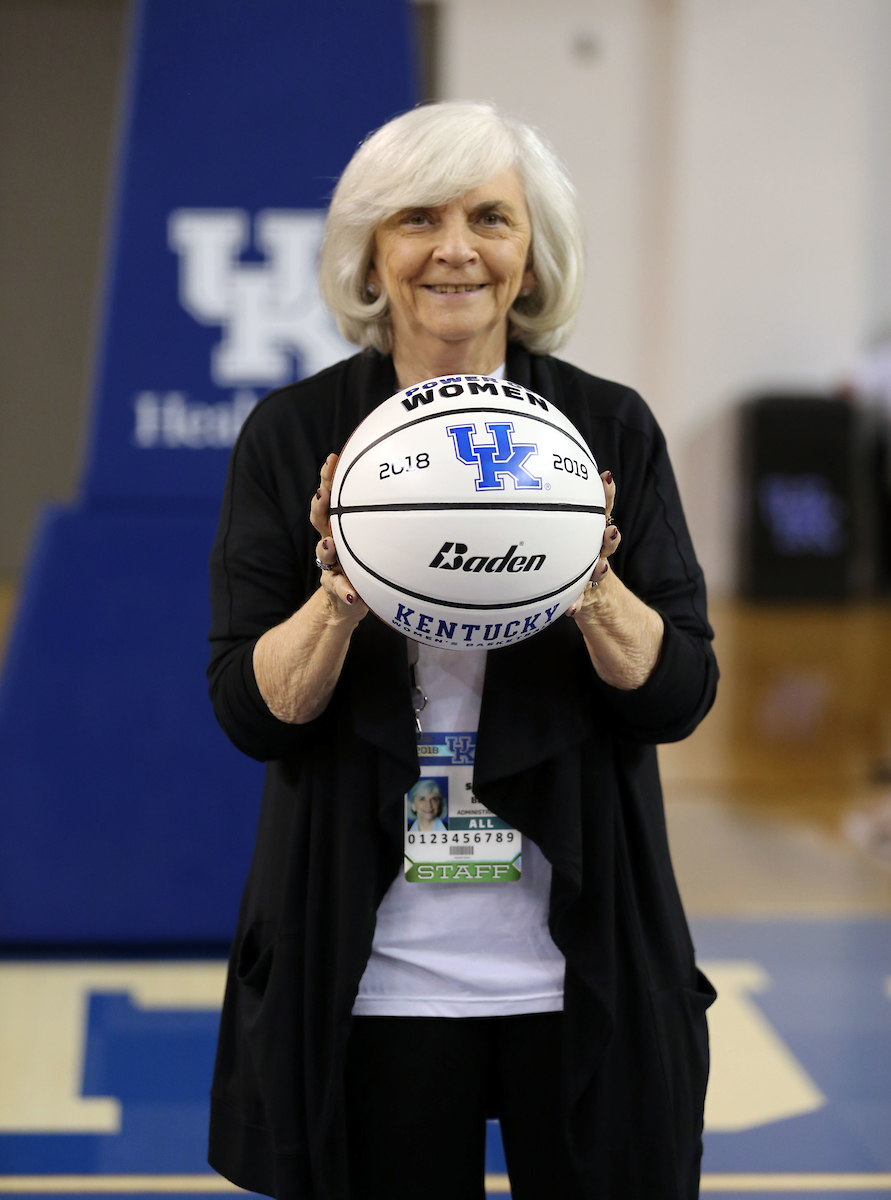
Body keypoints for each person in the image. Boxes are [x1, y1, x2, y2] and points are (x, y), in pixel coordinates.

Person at [206, 101, 718, 1200]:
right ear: (369, 252)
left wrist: (589, 581)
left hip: (577, 971)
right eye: (418, 218)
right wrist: (338, 592)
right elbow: (249, 711)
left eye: (491, 217)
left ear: (530, 256)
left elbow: (680, 691)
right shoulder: (294, 437)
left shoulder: (605, 431)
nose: (455, 249)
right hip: (377, 979)